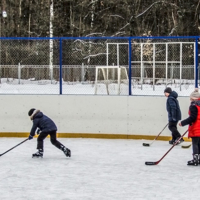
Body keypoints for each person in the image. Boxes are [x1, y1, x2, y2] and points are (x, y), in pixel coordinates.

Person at [179, 88, 200, 166]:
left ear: (193, 98)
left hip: (196, 127)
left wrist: (183, 123)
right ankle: (198, 159)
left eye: (190, 98)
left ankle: (195, 160)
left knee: (195, 143)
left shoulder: (194, 106)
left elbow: (193, 117)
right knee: (199, 143)